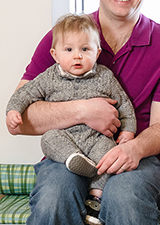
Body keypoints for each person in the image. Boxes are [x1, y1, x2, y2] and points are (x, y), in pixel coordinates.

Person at [7, 0, 160, 225]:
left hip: (136, 155)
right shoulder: (64, 38)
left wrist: (133, 148)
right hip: (67, 150)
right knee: (54, 196)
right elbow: (19, 120)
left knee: (125, 198)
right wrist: (84, 111)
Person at [6, 13, 137, 225]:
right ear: (55, 54)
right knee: (49, 138)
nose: (77, 56)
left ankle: (95, 198)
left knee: (109, 155)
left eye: (85, 49)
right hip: (65, 138)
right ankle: (74, 160)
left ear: (97, 52)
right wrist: (13, 111)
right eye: (69, 50)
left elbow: (124, 105)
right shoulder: (49, 77)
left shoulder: (105, 76)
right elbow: (24, 94)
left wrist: (128, 131)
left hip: (97, 138)